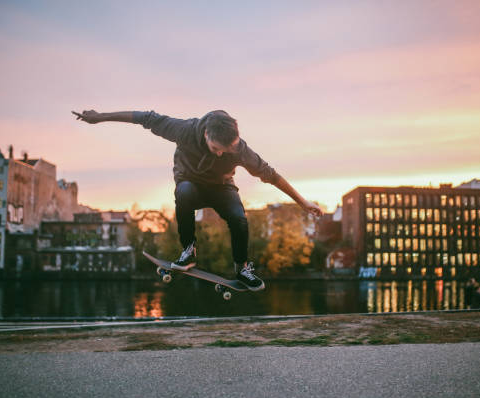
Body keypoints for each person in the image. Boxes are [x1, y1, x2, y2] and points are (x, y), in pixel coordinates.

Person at [72, 109, 322, 291]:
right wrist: (101, 117)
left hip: (222, 188)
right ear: (205, 135)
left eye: (228, 149)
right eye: (217, 149)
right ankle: (189, 250)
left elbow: (272, 176)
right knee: (184, 193)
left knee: (239, 218)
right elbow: (144, 118)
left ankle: (242, 267)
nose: (222, 154)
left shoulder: (241, 150)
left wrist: (303, 202)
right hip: (190, 182)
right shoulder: (184, 130)